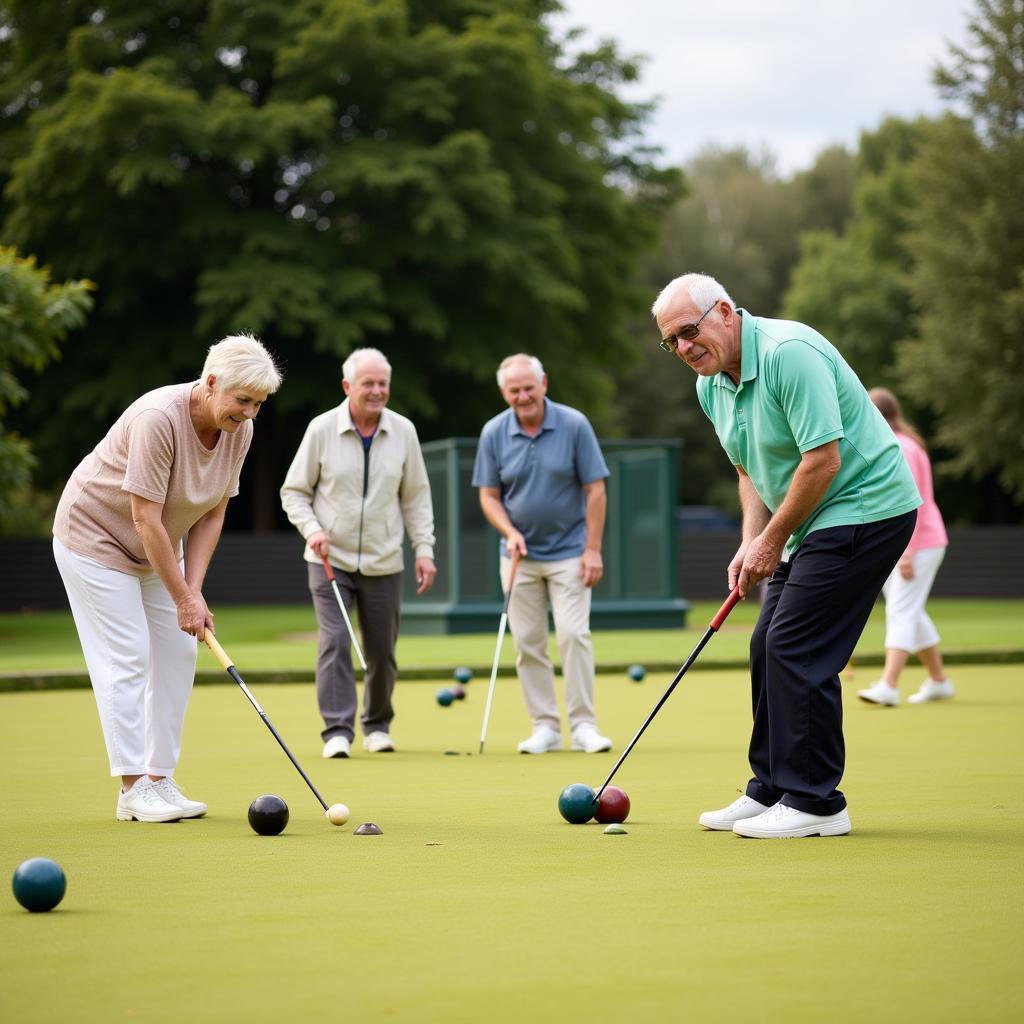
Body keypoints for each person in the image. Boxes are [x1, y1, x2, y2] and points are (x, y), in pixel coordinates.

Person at [652, 274, 920, 838]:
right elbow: (748, 467)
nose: (682, 348)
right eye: (670, 341)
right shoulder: (710, 385)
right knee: (764, 643)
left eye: (688, 332)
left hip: (866, 505)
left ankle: (817, 803)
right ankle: (771, 788)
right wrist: (753, 538)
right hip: (809, 518)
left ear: (724, 311)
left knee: (796, 643)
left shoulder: (788, 354)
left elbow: (822, 460)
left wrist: (773, 540)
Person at [52, 334, 282, 822]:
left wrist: (192, 592)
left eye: (259, 404)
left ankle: (160, 779)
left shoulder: (240, 431)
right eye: (243, 400)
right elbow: (144, 520)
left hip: (156, 547)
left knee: (179, 650)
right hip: (95, 538)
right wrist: (183, 597)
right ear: (212, 382)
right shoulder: (158, 418)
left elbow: (213, 514)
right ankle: (132, 789)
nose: (250, 413)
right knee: (128, 654)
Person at [280, 348, 436, 758]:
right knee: (334, 641)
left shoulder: (404, 431)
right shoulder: (321, 429)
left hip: (385, 560)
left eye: (383, 383)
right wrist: (312, 530)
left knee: (382, 648)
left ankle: (378, 724)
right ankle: (337, 731)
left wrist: (424, 549)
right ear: (348, 386)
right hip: (330, 558)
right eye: (368, 383)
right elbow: (294, 491)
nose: (377, 390)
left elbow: (416, 497)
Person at [472, 353, 612, 755]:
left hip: (570, 551)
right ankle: (545, 727)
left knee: (573, 634)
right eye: (513, 391)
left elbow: (595, 490)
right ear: (504, 393)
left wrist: (593, 549)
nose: (522, 396)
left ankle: (584, 724)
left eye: (528, 388)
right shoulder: (494, 432)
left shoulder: (574, 424)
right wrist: (509, 531)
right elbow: (488, 496)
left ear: (543, 384)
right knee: (528, 643)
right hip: (518, 555)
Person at [858, 388, 953, 706]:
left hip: (918, 542)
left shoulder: (899, 447)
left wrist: (907, 550)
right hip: (919, 541)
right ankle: (939, 681)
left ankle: (889, 684)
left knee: (901, 610)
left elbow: (909, 502)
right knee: (911, 610)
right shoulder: (905, 443)